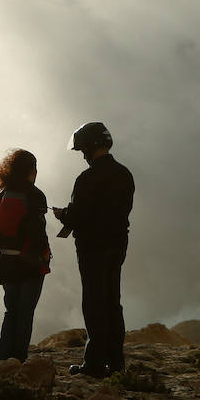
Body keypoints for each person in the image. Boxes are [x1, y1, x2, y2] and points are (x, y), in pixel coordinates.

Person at [53, 122, 134, 378]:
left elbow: (78, 216)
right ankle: (116, 361)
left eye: (82, 150)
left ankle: (95, 364)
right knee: (112, 302)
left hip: (92, 248)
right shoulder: (124, 174)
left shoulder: (87, 179)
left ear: (89, 147)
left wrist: (63, 214)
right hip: (117, 244)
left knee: (94, 302)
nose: (82, 155)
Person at [0, 149, 51, 363]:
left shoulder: (3, 195)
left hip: (6, 261)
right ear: (32, 170)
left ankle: (1, 358)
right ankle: (18, 360)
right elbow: (36, 229)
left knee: (11, 310)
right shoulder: (35, 195)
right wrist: (44, 254)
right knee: (25, 313)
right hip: (30, 263)